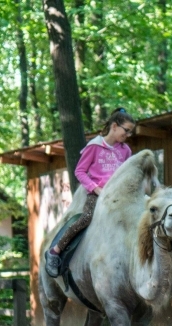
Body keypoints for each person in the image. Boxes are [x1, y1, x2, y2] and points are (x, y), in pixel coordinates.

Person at [45, 108, 135, 278]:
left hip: (119, 196)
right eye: (127, 130)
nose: (128, 135)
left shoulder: (125, 151)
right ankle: (55, 252)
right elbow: (79, 171)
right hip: (97, 194)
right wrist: (96, 189)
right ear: (115, 126)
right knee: (85, 218)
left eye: (130, 132)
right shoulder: (94, 146)